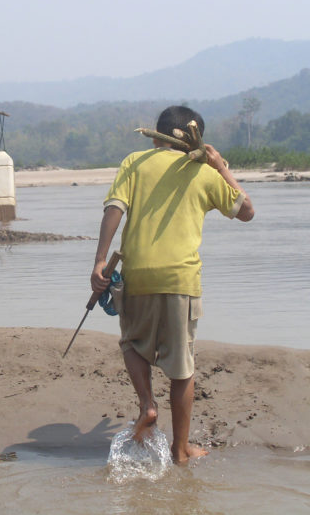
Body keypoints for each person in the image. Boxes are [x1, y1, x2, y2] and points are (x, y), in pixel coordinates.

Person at [90, 105, 254, 463]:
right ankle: (180, 452)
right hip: (181, 278)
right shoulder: (204, 172)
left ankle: (147, 405)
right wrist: (220, 165)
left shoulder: (135, 162)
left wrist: (100, 260)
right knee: (182, 368)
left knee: (131, 342)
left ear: (158, 135)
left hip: (139, 273)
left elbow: (114, 208)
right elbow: (247, 211)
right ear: (195, 140)